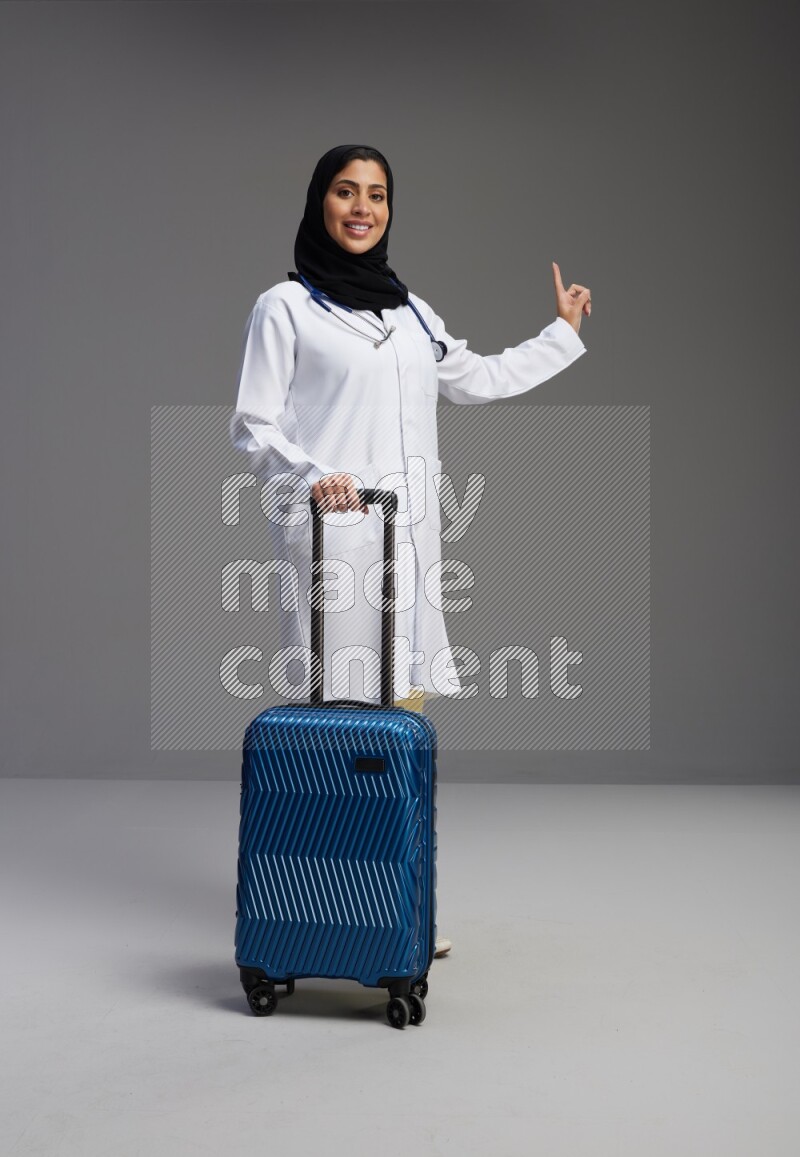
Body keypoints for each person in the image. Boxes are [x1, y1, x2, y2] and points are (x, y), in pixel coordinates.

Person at [230, 144, 591, 957]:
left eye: (378, 195)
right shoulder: (285, 307)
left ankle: (396, 909)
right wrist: (313, 475)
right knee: (338, 724)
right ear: (319, 203)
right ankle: (326, 910)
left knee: (403, 715)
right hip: (333, 541)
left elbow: (476, 378)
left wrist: (560, 334)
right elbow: (253, 423)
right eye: (346, 192)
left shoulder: (411, 313)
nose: (363, 208)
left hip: (410, 543)